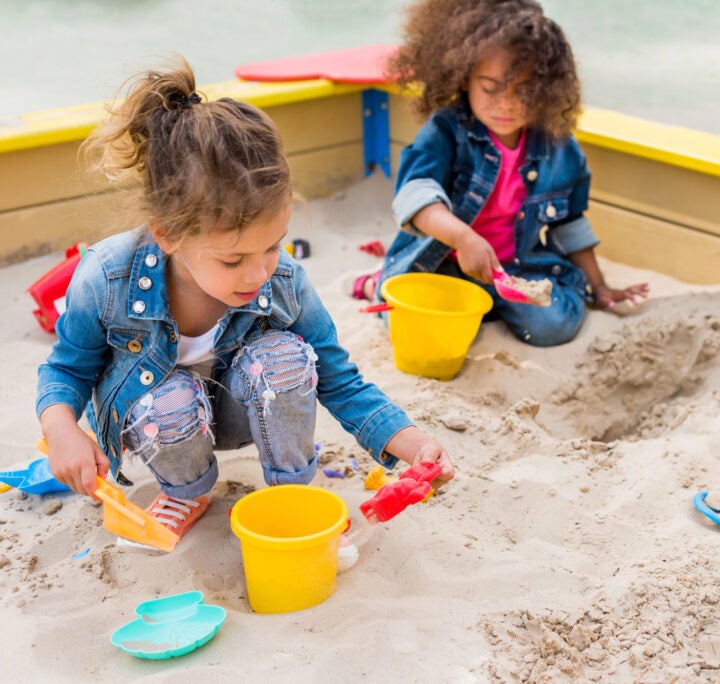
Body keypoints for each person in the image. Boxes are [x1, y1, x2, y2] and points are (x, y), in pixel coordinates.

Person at [37, 57, 454, 542]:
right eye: (233, 260)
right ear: (168, 235)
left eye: (273, 246)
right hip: (159, 420)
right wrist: (63, 430)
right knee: (170, 400)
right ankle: (186, 490)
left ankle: (292, 488)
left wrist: (414, 442)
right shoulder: (106, 278)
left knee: (286, 358)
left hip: (243, 410)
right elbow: (66, 369)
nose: (258, 273)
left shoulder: (283, 281)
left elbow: (339, 379)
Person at [353, 0, 648, 347]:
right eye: (490, 88)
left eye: (522, 91)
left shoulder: (559, 147)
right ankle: (377, 282)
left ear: (546, 89)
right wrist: (464, 239)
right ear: (464, 78)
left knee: (556, 326)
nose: (505, 104)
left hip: (514, 268)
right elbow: (415, 195)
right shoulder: (447, 132)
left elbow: (570, 224)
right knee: (419, 327)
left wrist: (599, 287)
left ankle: (489, 303)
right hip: (443, 264)